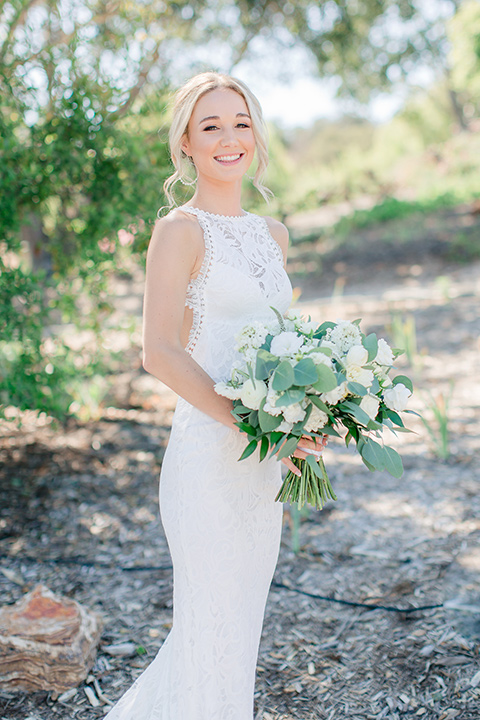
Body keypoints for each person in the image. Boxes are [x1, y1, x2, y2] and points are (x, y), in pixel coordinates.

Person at [103, 71, 326, 720]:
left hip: (261, 471)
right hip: (205, 464)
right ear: (186, 145)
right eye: (211, 126)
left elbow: (277, 348)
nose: (229, 138)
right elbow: (160, 351)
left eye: (241, 123)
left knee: (238, 637)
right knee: (207, 632)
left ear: (256, 137)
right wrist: (255, 423)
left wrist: (304, 416)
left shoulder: (274, 235)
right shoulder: (179, 231)